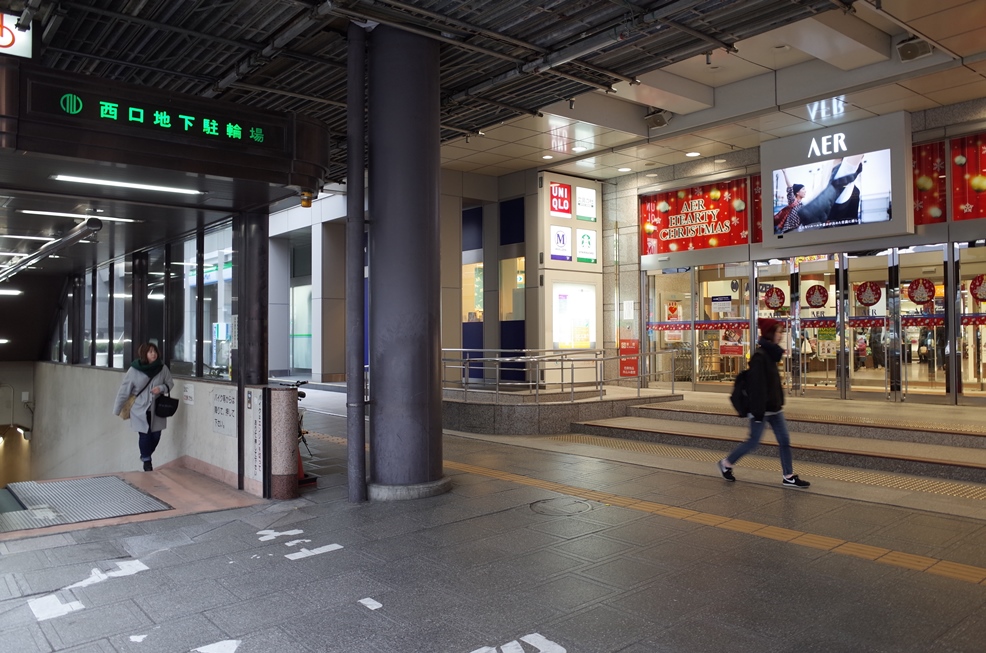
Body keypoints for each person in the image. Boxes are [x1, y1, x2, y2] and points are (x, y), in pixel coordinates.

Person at [718, 319, 810, 488]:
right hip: (762, 409)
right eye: (778, 332)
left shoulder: (772, 354)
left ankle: (788, 476)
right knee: (753, 441)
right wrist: (758, 413)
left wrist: (778, 401)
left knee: (784, 440)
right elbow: (757, 388)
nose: (781, 335)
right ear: (770, 334)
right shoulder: (760, 357)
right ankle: (726, 463)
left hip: (774, 408)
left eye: (781, 332)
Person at [113, 342, 174, 471]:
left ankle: (145, 454)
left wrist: (161, 388)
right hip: (140, 409)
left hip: (157, 408)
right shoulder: (134, 370)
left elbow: (170, 383)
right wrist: (117, 409)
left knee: (156, 435)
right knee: (144, 435)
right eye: (150, 351)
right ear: (144, 354)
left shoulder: (163, 368)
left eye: (155, 351)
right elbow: (124, 390)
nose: (154, 354)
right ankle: (147, 461)